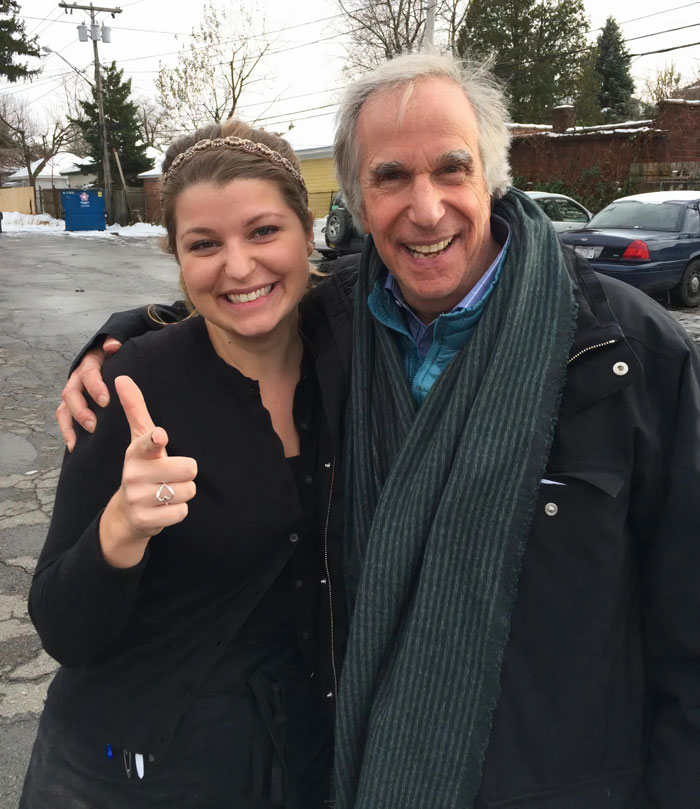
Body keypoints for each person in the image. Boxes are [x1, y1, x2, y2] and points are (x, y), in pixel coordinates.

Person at [58, 54, 700, 808]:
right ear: (360, 199)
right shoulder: (336, 328)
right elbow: (243, 299)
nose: (425, 210)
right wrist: (124, 340)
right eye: (392, 176)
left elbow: (687, 632)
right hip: (360, 771)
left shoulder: (628, 354)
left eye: (452, 170)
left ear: (493, 176)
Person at [21, 119, 355, 809]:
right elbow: (61, 627)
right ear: (177, 255)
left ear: (307, 227)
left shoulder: (354, 348)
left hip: (297, 759)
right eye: (205, 244)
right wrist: (119, 531)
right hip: (127, 769)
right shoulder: (134, 387)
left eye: (264, 232)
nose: (238, 265)